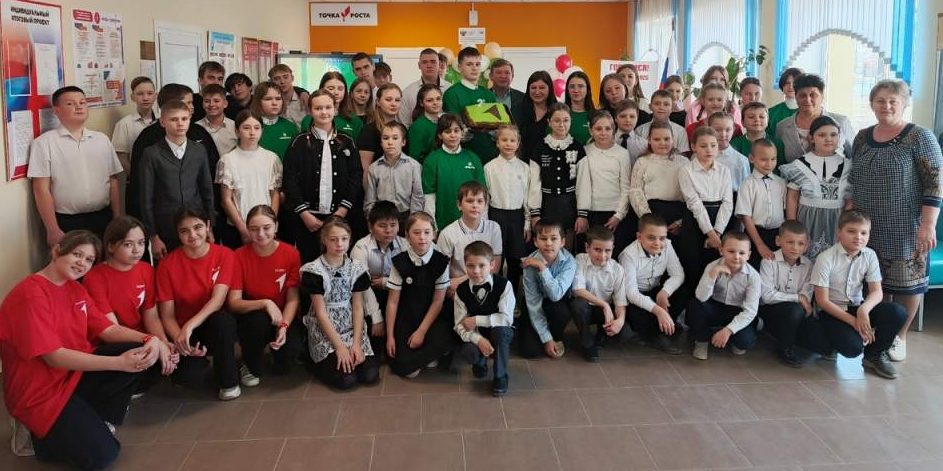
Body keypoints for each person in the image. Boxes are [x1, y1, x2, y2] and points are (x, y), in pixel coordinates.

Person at [0, 230, 175, 469]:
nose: (82, 263)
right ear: (57, 251)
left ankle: (90, 418)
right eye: (77, 254)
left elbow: (108, 330)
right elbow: (54, 357)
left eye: (89, 259)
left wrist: (150, 339)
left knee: (141, 351)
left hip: (72, 377)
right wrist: (118, 363)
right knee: (104, 455)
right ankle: (37, 435)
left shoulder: (75, 289)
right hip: (40, 393)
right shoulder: (31, 295)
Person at [849, 79, 943, 362]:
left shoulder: (920, 137)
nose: (886, 106)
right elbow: (854, 180)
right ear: (871, 104)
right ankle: (880, 333)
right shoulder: (862, 137)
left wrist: (928, 224)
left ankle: (899, 337)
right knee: (875, 282)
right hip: (867, 227)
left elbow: (935, 183)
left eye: (893, 101)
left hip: (906, 226)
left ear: (904, 104)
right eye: (880, 100)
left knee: (907, 283)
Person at [811, 210, 907, 379]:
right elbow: (822, 301)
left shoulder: (870, 255)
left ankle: (874, 355)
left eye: (864, 233)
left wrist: (864, 310)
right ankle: (830, 342)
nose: (858, 237)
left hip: (858, 306)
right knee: (852, 348)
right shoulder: (825, 258)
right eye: (851, 231)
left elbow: (876, 291)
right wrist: (854, 322)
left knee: (897, 312)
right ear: (839, 232)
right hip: (832, 311)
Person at [156, 207, 240, 400]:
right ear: (178, 234)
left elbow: (218, 300)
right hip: (182, 330)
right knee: (188, 378)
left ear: (208, 226)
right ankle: (197, 360)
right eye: (184, 231)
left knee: (224, 322)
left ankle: (228, 381)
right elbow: (167, 316)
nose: (192, 235)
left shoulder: (225, 255)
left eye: (197, 227)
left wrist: (190, 325)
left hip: (212, 323)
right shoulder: (167, 265)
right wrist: (182, 341)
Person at [30, 86, 123, 247]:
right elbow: (41, 189)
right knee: (74, 262)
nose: (79, 107)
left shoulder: (101, 139)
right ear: (57, 111)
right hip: (67, 222)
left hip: (104, 217)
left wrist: (118, 217)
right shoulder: (44, 143)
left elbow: (113, 180)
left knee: (105, 261)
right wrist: (52, 229)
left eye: (82, 102)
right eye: (70, 104)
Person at [282, 90, 362, 263]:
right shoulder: (299, 141)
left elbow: (356, 176)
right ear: (310, 111)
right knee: (309, 263)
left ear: (335, 108)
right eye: (318, 108)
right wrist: (304, 213)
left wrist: (343, 209)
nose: (324, 112)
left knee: (338, 262)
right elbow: (289, 179)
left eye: (328, 107)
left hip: (340, 215)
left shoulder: (347, 140)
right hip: (308, 218)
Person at [227, 205, 304, 383]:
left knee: (286, 363)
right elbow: (234, 303)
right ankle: (249, 361)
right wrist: (265, 303)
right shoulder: (238, 256)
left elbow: (293, 298)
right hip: (254, 316)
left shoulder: (291, 253)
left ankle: (277, 351)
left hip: (283, 315)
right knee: (258, 322)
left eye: (266, 228)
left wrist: (284, 325)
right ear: (247, 230)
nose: (260, 234)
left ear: (276, 227)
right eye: (254, 229)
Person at [301, 217, 380, 389]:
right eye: (333, 239)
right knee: (346, 381)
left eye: (344, 239)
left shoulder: (356, 268)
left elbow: (357, 307)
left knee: (369, 375)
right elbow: (320, 312)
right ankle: (313, 360)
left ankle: (353, 353)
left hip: (351, 327)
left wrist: (356, 344)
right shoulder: (314, 270)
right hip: (326, 331)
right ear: (324, 240)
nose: (339, 244)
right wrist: (340, 347)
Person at [127, 84, 220, 222]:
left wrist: (210, 219)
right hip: (164, 218)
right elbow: (143, 190)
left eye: (184, 119)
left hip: (195, 216)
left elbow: (208, 184)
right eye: (188, 103)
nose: (192, 107)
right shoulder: (149, 143)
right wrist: (150, 228)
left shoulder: (199, 139)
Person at [138, 99, 215, 259]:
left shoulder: (199, 150)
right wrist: (153, 236)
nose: (180, 123)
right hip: (166, 228)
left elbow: (207, 190)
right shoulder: (151, 154)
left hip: (196, 226)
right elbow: (146, 198)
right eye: (174, 119)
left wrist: (209, 226)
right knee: (170, 269)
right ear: (162, 122)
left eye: (184, 119)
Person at [385, 212, 453, 378]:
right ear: (407, 236)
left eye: (427, 232)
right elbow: (392, 302)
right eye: (416, 233)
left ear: (434, 234)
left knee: (444, 339)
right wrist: (390, 336)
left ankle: (428, 354)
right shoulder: (399, 261)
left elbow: (438, 302)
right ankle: (423, 357)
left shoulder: (441, 262)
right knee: (404, 367)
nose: (422, 237)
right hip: (408, 316)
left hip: (432, 317)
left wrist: (421, 332)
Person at [83, 217, 170, 343]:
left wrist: (164, 342)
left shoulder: (146, 270)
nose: (136, 250)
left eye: (141, 243)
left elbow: (151, 316)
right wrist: (152, 343)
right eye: (128, 244)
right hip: (111, 341)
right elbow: (112, 329)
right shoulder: (94, 277)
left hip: (143, 338)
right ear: (111, 246)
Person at [779, 116, 853, 259]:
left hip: (837, 221)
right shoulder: (799, 165)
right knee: (805, 261)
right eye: (822, 135)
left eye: (833, 135)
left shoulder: (849, 166)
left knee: (834, 261)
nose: (828, 139)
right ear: (811, 138)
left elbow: (849, 199)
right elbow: (792, 196)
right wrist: (792, 226)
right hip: (807, 220)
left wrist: (846, 225)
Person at [452, 241, 515, 396]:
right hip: (476, 333)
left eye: (482, 265)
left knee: (502, 333)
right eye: (471, 266)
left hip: (499, 331)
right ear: (465, 265)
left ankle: (500, 376)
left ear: (492, 265)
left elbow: (506, 319)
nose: (476, 271)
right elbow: (459, 324)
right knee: (468, 351)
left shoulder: (504, 285)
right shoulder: (461, 290)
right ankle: (480, 361)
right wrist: (478, 340)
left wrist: (476, 320)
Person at [687, 232, 761, 360]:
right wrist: (713, 274)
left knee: (745, 341)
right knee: (695, 305)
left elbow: (750, 311)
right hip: (714, 306)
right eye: (731, 251)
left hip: (737, 310)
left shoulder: (753, 277)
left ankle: (730, 336)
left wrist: (729, 330)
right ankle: (701, 341)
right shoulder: (712, 266)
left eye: (742, 253)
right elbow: (701, 297)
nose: (736, 257)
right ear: (721, 251)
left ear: (748, 255)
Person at [620, 214, 687, 354]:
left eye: (662, 238)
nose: (658, 243)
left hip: (656, 290)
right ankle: (654, 335)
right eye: (651, 238)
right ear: (639, 237)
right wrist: (658, 310)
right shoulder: (628, 255)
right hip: (636, 295)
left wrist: (664, 292)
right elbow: (631, 293)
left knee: (684, 292)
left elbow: (678, 274)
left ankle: (665, 324)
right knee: (636, 312)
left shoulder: (667, 245)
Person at [215, 110, 282, 248]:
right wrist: (243, 229)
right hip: (238, 226)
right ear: (237, 131)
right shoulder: (227, 160)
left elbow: (275, 194)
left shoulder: (272, 158)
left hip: (266, 225)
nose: (252, 132)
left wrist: (271, 224)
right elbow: (226, 199)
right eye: (246, 128)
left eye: (257, 128)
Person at [678, 127, 734, 292]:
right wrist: (710, 234)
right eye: (703, 146)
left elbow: (728, 203)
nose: (709, 150)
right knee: (693, 264)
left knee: (715, 265)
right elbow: (694, 203)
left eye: (713, 145)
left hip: (720, 221)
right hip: (695, 219)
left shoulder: (724, 171)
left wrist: (718, 231)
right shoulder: (686, 171)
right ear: (693, 147)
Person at [350, 201, 408, 356]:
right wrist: (376, 317)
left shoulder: (405, 245)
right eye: (382, 226)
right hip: (369, 295)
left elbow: (410, 279)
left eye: (393, 225)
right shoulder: (361, 247)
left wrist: (385, 282)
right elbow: (362, 285)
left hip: (396, 293)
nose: (388, 230)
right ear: (370, 227)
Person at [528, 103, 586, 251]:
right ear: (549, 122)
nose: (561, 124)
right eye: (557, 120)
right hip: (547, 205)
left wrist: (582, 214)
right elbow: (535, 184)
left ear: (571, 121)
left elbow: (583, 183)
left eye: (566, 120)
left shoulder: (578, 148)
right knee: (548, 247)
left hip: (570, 205)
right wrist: (535, 213)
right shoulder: (539, 148)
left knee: (567, 249)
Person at [758, 220, 816, 367]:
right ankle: (785, 349)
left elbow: (806, 296)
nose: (795, 248)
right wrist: (797, 298)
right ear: (778, 241)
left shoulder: (809, 265)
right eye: (790, 242)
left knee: (819, 343)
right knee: (795, 309)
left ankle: (786, 336)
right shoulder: (768, 261)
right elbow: (766, 296)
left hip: (795, 313)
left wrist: (801, 299)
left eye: (801, 244)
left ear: (807, 245)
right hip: (769, 309)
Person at [576, 111, 633, 253]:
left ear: (613, 130)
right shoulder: (585, 151)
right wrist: (582, 214)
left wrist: (618, 215)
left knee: (613, 254)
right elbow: (581, 185)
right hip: (591, 212)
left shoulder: (622, 153)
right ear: (591, 130)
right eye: (598, 129)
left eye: (607, 128)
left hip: (615, 213)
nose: (603, 133)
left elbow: (626, 187)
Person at [519, 219, 577, 359]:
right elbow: (534, 304)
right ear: (535, 241)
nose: (549, 243)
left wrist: (542, 267)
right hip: (534, 304)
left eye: (554, 238)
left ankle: (556, 336)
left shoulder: (569, 262)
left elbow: (556, 295)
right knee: (530, 351)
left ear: (562, 242)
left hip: (556, 303)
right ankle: (545, 336)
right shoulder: (529, 263)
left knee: (561, 310)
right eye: (543, 239)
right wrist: (546, 339)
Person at [570, 226, 629, 362]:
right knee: (578, 305)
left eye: (607, 251)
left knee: (624, 333)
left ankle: (602, 334)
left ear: (613, 249)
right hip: (586, 308)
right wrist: (604, 305)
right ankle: (586, 341)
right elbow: (577, 290)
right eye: (597, 250)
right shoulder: (579, 260)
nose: (602, 256)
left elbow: (620, 301)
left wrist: (620, 320)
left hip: (604, 313)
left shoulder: (618, 270)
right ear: (587, 247)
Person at [484, 124, 531, 291]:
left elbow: (527, 198)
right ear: (497, 142)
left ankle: (511, 297)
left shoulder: (525, 168)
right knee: (496, 258)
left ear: (518, 143)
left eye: (512, 140)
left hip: (517, 217)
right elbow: (486, 198)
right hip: (496, 215)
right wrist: (486, 223)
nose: (508, 144)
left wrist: (527, 223)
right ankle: (495, 294)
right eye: (504, 140)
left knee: (515, 260)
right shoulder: (489, 167)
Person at [437, 181, 504, 296]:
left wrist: (468, 279)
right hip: (457, 290)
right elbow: (443, 276)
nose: (475, 205)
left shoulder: (494, 228)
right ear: (459, 205)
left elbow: (495, 267)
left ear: (485, 205)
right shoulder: (447, 233)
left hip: (484, 284)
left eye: (480, 201)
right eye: (469, 201)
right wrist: (454, 284)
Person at [421, 113, 487, 229]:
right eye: (447, 131)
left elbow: (482, 194)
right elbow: (429, 196)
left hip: (472, 223)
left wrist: (483, 222)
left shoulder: (473, 158)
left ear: (462, 133)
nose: (453, 135)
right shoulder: (432, 160)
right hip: (443, 223)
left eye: (456, 131)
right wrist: (432, 226)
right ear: (440, 135)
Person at [775, 74, 855, 164]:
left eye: (813, 95)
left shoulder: (841, 122)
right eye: (802, 95)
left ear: (822, 96)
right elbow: (779, 161)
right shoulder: (782, 127)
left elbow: (855, 156)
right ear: (796, 97)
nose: (807, 99)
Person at [628, 121, 687, 240]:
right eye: (657, 139)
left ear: (673, 139)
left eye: (666, 139)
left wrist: (681, 221)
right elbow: (635, 191)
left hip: (678, 215)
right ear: (649, 140)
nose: (662, 143)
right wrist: (648, 219)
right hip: (652, 212)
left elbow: (692, 194)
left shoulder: (684, 162)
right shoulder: (642, 162)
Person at [442, 46, 499, 163]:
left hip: (490, 154)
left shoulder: (489, 94)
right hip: (464, 155)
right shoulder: (452, 94)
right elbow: (454, 127)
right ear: (459, 67)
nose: (474, 68)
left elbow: (496, 125)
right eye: (469, 64)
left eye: (477, 64)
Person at [736, 139, 786, 268]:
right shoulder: (747, 184)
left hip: (778, 235)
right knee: (756, 270)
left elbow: (785, 211)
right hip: (755, 234)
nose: (769, 164)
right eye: (764, 159)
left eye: (773, 159)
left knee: (776, 269)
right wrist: (760, 245)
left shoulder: (781, 183)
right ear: (752, 158)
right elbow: (745, 217)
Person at [364, 121, 424, 224]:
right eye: (385, 138)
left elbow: (417, 196)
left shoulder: (413, 166)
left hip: (406, 216)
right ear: (381, 143)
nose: (390, 142)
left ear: (403, 142)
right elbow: (370, 200)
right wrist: (372, 222)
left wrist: (414, 222)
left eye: (395, 138)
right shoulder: (374, 168)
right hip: (382, 217)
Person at [112, 77, 157, 174]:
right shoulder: (124, 124)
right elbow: (122, 158)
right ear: (132, 97)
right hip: (137, 177)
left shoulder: (163, 120)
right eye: (140, 94)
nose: (145, 98)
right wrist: (136, 178)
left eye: (150, 93)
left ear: (155, 96)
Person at [399, 48, 450, 126]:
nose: (429, 65)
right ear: (419, 65)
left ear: (439, 64)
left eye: (433, 62)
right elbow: (404, 124)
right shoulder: (408, 93)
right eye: (425, 62)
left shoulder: (450, 89)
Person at [252, 81, 301, 161]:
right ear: (258, 101)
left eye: (278, 99)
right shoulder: (251, 127)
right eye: (268, 99)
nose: (274, 103)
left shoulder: (290, 127)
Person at [358, 83, 403, 168]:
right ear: (378, 102)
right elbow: (365, 168)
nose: (393, 104)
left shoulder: (402, 129)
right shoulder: (369, 131)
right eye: (388, 100)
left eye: (397, 100)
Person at [710, 112, 751, 199]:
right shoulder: (699, 157)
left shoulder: (741, 160)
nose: (723, 134)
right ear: (708, 129)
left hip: (733, 200)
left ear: (734, 129)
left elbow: (746, 191)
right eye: (717, 130)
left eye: (728, 130)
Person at [519, 71, 557, 161]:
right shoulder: (519, 110)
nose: (537, 91)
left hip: (550, 164)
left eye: (542, 88)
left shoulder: (557, 112)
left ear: (550, 89)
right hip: (523, 164)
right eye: (533, 88)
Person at [406, 84, 444, 163]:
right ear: (421, 103)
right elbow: (415, 157)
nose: (435, 103)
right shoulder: (418, 126)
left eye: (438, 99)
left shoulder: (445, 121)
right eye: (430, 100)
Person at [196, 84, 237, 155]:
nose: (211, 104)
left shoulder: (235, 127)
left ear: (225, 104)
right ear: (202, 104)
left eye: (216, 101)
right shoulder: (196, 127)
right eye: (207, 101)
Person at [766, 67, 803, 138]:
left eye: (795, 83)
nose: (791, 86)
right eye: (787, 83)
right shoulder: (771, 112)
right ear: (782, 86)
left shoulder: (808, 111)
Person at [563, 71, 596, 145]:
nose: (576, 90)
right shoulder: (559, 114)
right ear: (567, 90)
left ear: (587, 89)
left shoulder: (597, 116)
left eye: (580, 86)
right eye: (572, 86)